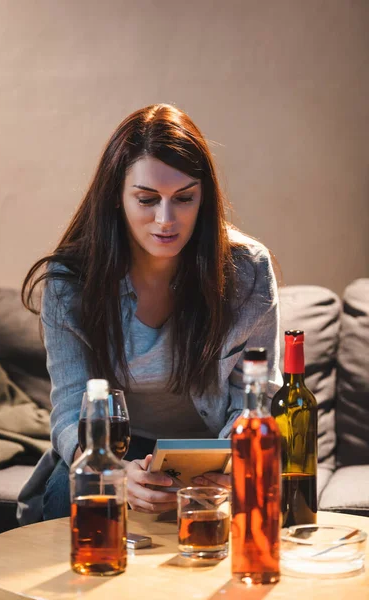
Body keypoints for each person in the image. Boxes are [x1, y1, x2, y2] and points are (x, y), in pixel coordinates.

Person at [17, 103, 281, 524]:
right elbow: (70, 409)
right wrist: (115, 472)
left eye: (185, 198)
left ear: (204, 198)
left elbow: (257, 394)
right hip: (113, 450)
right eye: (146, 199)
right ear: (116, 199)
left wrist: (233, 464)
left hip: (213, 450)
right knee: (64, 506)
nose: (166, 219)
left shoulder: (247, 269)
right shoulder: (71, 281)